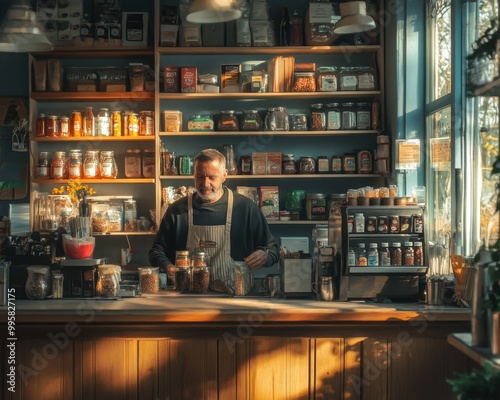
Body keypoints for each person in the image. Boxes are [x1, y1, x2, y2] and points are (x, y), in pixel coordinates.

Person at [149, 148, 279, 291]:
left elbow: (272, 250)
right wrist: (169, 267)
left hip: (236, 299)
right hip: (188, 297)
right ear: (193, 176)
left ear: (224, 175)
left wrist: (264, 255)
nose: (205, 184)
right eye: (200, 177)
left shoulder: (246, 208)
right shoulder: (178, 210)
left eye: (212, 177)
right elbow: (156, 251)